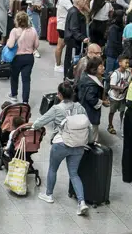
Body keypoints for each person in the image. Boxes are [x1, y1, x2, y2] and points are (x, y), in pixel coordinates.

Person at [36, 81, 93, 216]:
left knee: (53, 168)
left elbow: (40, 122)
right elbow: (88, 125)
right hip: (78, 145)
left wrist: (33, 126)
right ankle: (82, 202)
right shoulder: (80, 107)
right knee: (74, 173)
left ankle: (49, 194)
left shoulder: (57, 109)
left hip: (61, 143)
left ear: (60, 95)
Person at [76, 56, 104, 138]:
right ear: (94, 68)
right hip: (90, 113)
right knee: (91, 135)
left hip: (82, 109)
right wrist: (102, 102)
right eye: (101, 66)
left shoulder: (85, 76)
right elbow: (91, 98)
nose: (103, 68)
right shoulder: (92, 84)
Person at [61, 0, 88, 77]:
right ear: (78, 2)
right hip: (74, 42)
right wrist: (82, 38)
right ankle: (69, 78)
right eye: (83, 0)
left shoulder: (75, 11)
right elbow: (74, 29)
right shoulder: (74, 12)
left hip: (75, 41)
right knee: (73, 61)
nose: (85, 1)